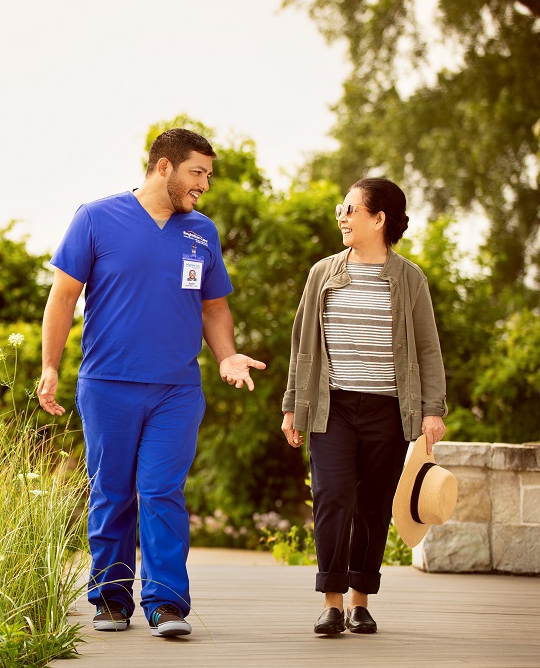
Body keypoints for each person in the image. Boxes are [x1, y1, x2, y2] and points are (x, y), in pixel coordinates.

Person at [38, 128, 266, 636]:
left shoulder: (201, 232)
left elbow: (214, 307)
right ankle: (111, 599)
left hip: (176, 390)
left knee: (162, 492)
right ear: (164, 167)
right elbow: (63, 297)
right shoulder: (95, 218)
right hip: (107, 384)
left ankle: (166, 603)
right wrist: (51, 364)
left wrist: (227, 356)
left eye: (208, 175)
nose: (204, 184)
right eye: (197, 172)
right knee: (111, 493)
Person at [280, 177, 447, 635]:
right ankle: (331, 602)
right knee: (333, 497)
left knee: (373, 505)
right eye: (342, 208)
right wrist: (293, 404)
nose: (342, 216)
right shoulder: (324, 274)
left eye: (351, 209)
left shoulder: (410, 279)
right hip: (331, 408)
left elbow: (429, 349)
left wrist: (433, 409)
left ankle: (360, 600)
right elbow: (302, 347)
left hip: (388, 410)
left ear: (379, 219)